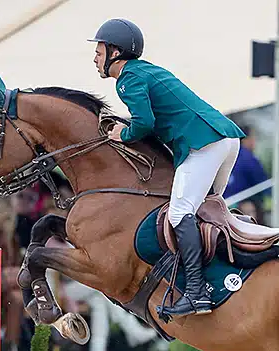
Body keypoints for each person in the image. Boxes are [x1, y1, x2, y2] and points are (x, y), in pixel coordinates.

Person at [90, 18, 245, 319]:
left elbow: (144, 123)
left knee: (179, 213)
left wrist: (121, 134)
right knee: (205, 211)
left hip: (203, 143)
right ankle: (222, 277)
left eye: (99, 52)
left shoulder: (127, 79)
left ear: (115, 52)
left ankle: (198, 293)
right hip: (226, 139)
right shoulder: (146, 70)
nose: (95, 59)